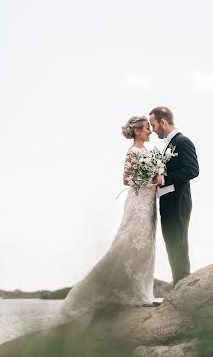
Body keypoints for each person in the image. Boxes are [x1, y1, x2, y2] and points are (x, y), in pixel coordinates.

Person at [58, 116, 159, 322]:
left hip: (149, 204)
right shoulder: (133, 152)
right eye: (147, 128)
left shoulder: (147, 153)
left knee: (145, 246)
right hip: (138, 204)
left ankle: (141, 291)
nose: (150, 131)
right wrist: (151, 178)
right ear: (138, 131)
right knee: (130, 244)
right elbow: (127, 179)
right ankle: (124, 291)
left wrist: (158, 175)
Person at [149, 106, 199, 286]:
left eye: (154, 125)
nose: (153, 130)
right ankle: (180, 284)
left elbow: (193, 170)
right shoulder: (169, 144)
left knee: (177, 245)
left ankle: (182, 285)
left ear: (163, 122)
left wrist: (164, 178)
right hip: (168, 201)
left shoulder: (183, 142)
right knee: (172, 245)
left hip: (178, 202)